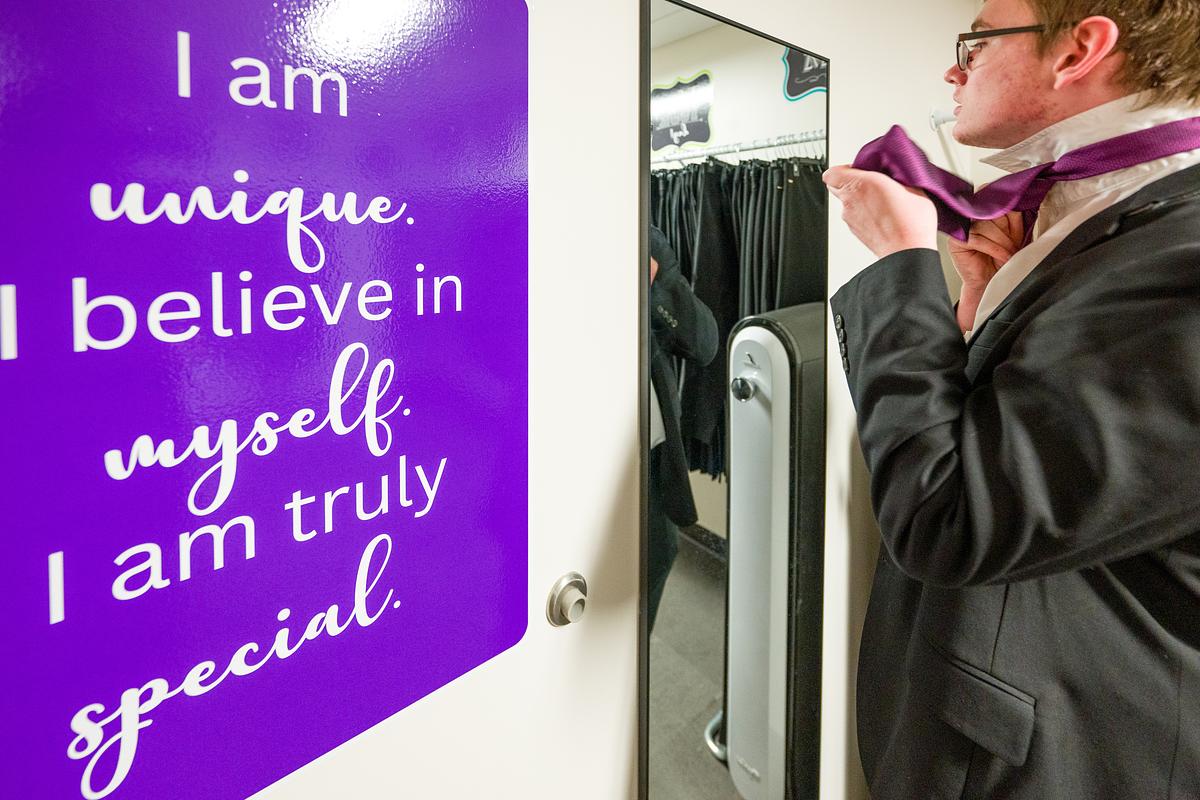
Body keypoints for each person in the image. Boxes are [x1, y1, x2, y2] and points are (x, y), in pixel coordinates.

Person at [821, 1, 1200, 797]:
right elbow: (1041, 450)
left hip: (1062, 749)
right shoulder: (1111, 212)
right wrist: (975, 319)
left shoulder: (1184, 261)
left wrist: (901, 264)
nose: (953, 70)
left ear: (1079, 50)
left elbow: (953, 515)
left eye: (977, 45)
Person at [647, 225, 718, 631]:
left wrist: (657, 280)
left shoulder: (644, 235)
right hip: (552, 461)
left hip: (649, 460)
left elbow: (703, 344)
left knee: (654, 561)